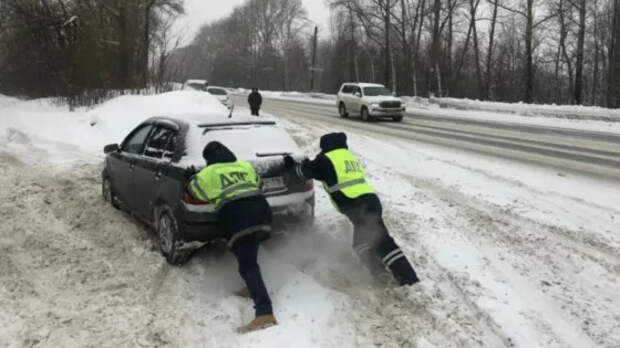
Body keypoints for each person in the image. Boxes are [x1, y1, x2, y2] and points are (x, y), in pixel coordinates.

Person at [284, 133, 419, 286]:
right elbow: (319, 167)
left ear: (326, 146)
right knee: (361, 245)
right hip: (369, 202)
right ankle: (382, 276)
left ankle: (409, 280)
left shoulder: (326, 160)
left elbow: (303, 172)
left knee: (383, 243)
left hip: (359, 205)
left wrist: (291, 165)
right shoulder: (346, 157)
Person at [188, 141, 277, 333]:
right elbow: (258, 184)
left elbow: (196, 192)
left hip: (238, 218)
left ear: (208, 159)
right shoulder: (244, 165)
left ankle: (264, 313)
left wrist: (192, 178)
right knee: (248, 256)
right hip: (262, 213)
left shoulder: (208, 173)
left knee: (247, 265)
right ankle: (252, 287)